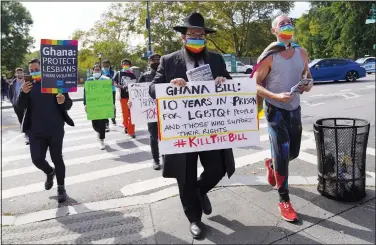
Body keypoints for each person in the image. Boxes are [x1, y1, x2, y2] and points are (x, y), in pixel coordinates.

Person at [149, 12, 235, 239]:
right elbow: (152, 90)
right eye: (192, 34)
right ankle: (194, 219)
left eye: (200, 34)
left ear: (205, 37)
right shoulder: (168, 61)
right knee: (185, 176)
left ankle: (198, 191)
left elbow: (231, 84)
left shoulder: (216, 59)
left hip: (211, 128)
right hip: (181, 131)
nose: (196, 38)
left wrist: (224, 81)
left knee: (218, 168)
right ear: (183, 38)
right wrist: (170, 85)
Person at [254, 15, 313, 222]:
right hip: (275, 111)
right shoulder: (269, 55)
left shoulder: (302, 52)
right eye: (282, 24)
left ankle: (272, 165)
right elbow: (255, 84)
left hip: (294, 109)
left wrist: (308, 84)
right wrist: (275, 96)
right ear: (274, 31)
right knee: (283, 154)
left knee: (293, 153)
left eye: (289, 23)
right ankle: (283, 199)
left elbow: (308, 77)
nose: (287, 26)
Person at [16, 58, 74, 203]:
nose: (34, 72)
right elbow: (20, 105)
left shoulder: (56, 83)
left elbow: (68, 104)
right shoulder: (28, 86)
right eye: (32, 70)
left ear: (44, 69)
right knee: (37, 159)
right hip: (35, 131)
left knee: (57, 158)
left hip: (55, 129)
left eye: (37, 69)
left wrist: (63, 101)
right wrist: (23, 93)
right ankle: (50, 172)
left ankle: (61, 188)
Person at [129, 53, 162, 170]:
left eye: (159, 60)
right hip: (151, 112)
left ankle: (165, 157)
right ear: (149, 62)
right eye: (154, 60)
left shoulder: (167, 74)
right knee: (153, 136)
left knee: (166, 136)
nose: (156, 62)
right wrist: (131, 102)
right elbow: (136, 93)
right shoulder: (145, 76)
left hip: (166, 111)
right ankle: (156, 159)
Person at [84, 64, 112, 150]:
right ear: (93, 71)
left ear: (101, 71)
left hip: (103, 106)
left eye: (98, 70)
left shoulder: (106, 80)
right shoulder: (89, 80)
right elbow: (85, 93)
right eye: (95, 70)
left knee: (102, 123)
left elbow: (110, 92)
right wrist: (85, 104)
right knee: (95, 124)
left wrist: (112, 104)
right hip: (93, 106)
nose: (97, 71)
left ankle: (101, 140)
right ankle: (99, 132)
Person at [113, 58, 137, 138]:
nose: (125, 65)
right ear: (121, 65)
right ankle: (126, 125)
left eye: (127, 63)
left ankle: (131, 131)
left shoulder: (132, 74)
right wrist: (121, 86)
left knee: (132, 114)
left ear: (129, 65)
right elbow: (114, 83)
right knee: (125, 114)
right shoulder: (119, 73)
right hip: (123, 97)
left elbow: (136, 84)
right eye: (124, 63)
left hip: (132, 97)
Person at [9, 68, 29, 144]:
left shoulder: (27, 82)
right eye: (18, 73)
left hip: (26, 105)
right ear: (15, 74)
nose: (19, 74)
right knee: (21, 120)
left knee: (27, 119)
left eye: (21, 72)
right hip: (17, 105)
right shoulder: (12, 84)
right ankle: (26, 133)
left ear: (23, 73)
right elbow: (10, 94)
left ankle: (28, 135)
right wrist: (13, 102)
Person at [102, 59, 116, 129]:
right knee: (105, 106)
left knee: (112, 104)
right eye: (104, 64)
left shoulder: (113, 72)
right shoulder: (101, 71)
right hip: (103, 91)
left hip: (112, 90)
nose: (105, 66)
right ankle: (106, 121)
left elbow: (114, 80)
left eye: (106, 64)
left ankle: (113, 118)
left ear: (109, 64)